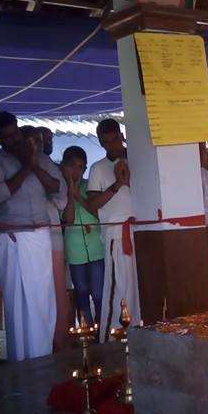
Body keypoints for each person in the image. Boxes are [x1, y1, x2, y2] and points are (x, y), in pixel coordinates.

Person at [0, 111, 67, 362]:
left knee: (42, 298)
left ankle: (43, 355)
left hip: (40, 234)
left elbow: (57, 188)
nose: (14, 140)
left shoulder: (40, 158)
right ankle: (21, 359)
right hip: (12, 237)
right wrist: (25, 168)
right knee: (17, 301)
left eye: (15, 133)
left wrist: (33, 164)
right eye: (6, 137)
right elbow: (0, 195)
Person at [87, 118, 141, 341]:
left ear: (122, 136)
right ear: (101, 143)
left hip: (140, 231)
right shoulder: (98, 168)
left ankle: (139, 334)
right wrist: (117, 184)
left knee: (139, 288)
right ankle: (111, 340)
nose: (112, 145)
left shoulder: (138, 159)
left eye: (115, 140)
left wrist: (129, 181)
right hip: (116, 236)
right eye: (106, 142)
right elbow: (92, 206)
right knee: (118, 287)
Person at [23, 125, 69, 352]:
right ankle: (33, 345)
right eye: (37, 141)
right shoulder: (11, 162)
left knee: (56, 288)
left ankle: (57, 341)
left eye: (44, 141)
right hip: (24, 236)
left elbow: (61, 197)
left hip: (51, 233)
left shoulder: (46, 164)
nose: (42, 145)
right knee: (32, 293)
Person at [60, 146, 105, 327]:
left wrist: (78, 195)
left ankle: (103, 331)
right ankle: (87, 334)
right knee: (81, 293)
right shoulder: (59, 191)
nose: (76, 170)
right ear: (63, 166)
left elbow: (98, 214)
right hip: (75, 252)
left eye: (81, 167)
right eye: (72, 165)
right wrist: (70, 194)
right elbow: (68, 220)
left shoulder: (91, 187)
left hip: (97, 249)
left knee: (99, 294)